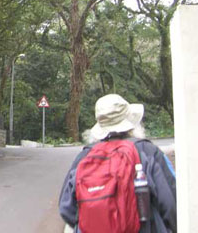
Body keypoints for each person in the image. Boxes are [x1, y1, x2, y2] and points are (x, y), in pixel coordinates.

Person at [58, 94, 177, 232]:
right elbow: (171, 203)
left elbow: (66, 207)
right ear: (132, 123)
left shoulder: (85, 156)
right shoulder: (148, 152)